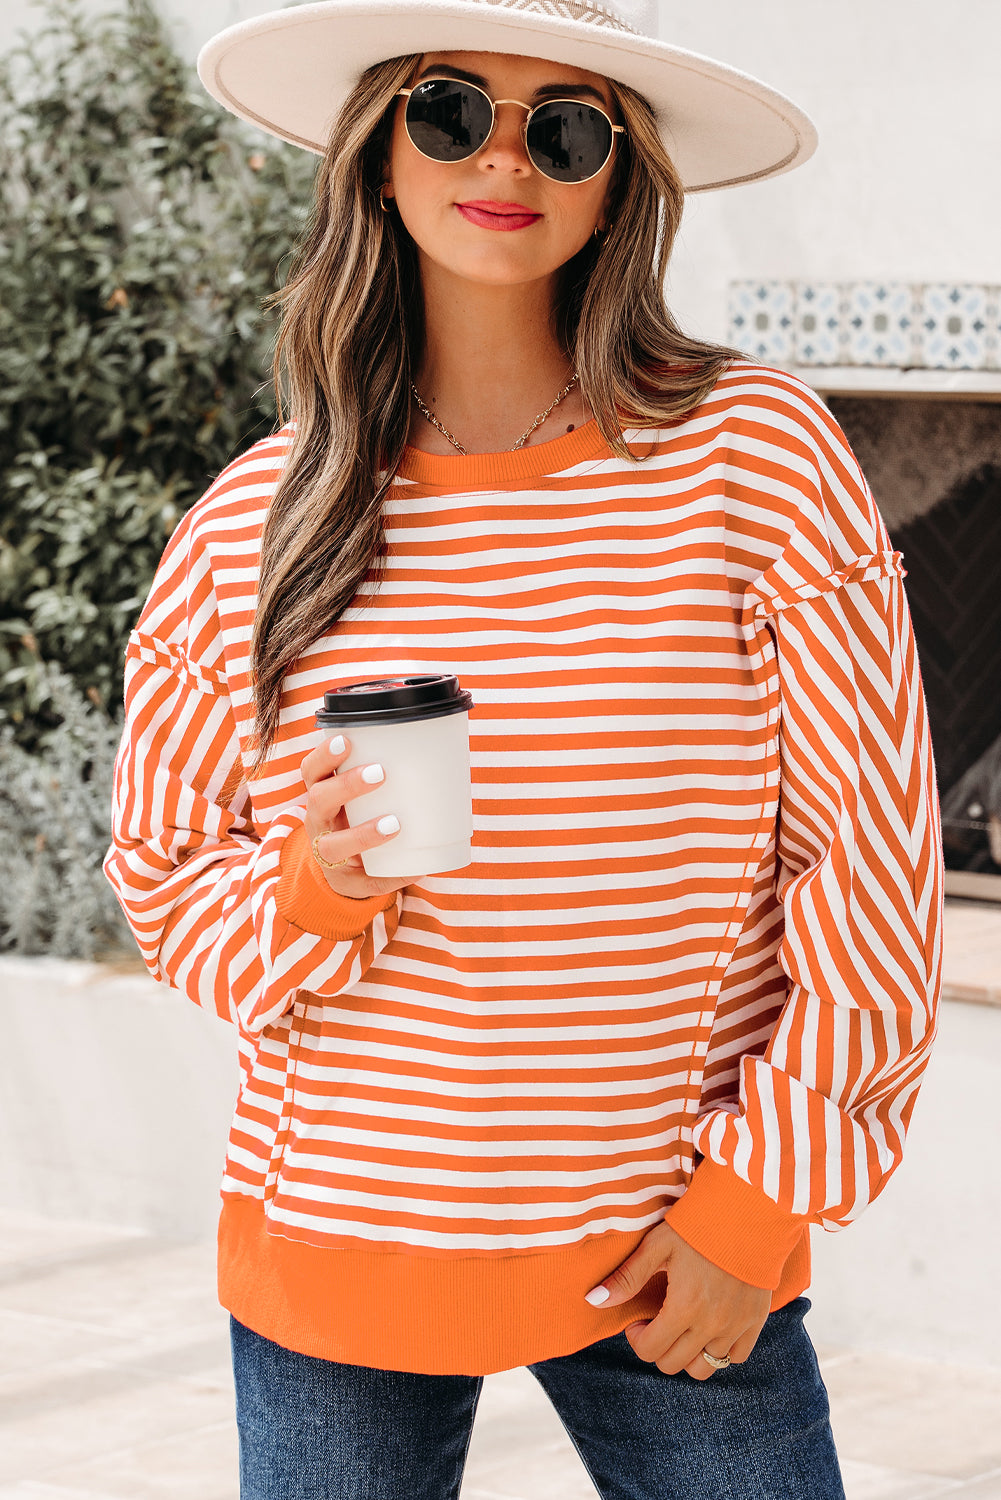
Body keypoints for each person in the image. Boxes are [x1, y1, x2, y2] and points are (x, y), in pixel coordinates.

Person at [104, 2, 943, 1496]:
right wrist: (310, 889)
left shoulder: (753, 460)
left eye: (565, 125)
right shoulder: (253, 522)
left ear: (617, 177)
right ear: (375, 157)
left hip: (672, 1238)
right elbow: (166, 886)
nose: (505, 154)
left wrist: (756, 1207)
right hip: (340, 1238)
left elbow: (867, 865)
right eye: (447, 110)